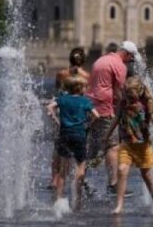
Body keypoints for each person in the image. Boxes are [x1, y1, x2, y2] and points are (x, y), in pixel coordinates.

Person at [106, 76, 153, 214]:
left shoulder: (147, 102)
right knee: (121, 170)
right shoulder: (123, 102)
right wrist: (106, 136)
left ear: (138, 92)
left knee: (147, 175)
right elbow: (116, 119)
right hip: (126, 144)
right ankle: (119, 206)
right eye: (126, 93)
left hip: (143, 146)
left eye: (130, 94)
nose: (127, 97)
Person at [87, 40, 138, 196]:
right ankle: (113, 185)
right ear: (127, 54)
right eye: (131, 58)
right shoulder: (119, 66)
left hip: (91, 106)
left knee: (93, 147)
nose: (131, 62)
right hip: (105, 109)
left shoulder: (101, 60)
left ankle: (82, 181)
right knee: (112, 146)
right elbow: (119, 91)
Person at [46, 75, 99, 208]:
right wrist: (89, 125)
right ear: (79, 88)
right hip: (80, 135)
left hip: (64, 134)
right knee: (81, 166)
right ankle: (78, 200)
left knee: (63, 168)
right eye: (85, 86)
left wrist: (56, 120)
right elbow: (97, 115)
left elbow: (49, 107)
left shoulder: (62, 99)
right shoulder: (85, 101)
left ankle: (58, 199)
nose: (86, 88)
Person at [49, 48, 90, 190]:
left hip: (62, 110)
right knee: (81, 148)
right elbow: (85, 95)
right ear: (83, 60)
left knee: (58, 146)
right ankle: (79, 179)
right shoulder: (86, 75)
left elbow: (57, 92)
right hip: (78, 112)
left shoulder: (61, 74)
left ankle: (55, 180)